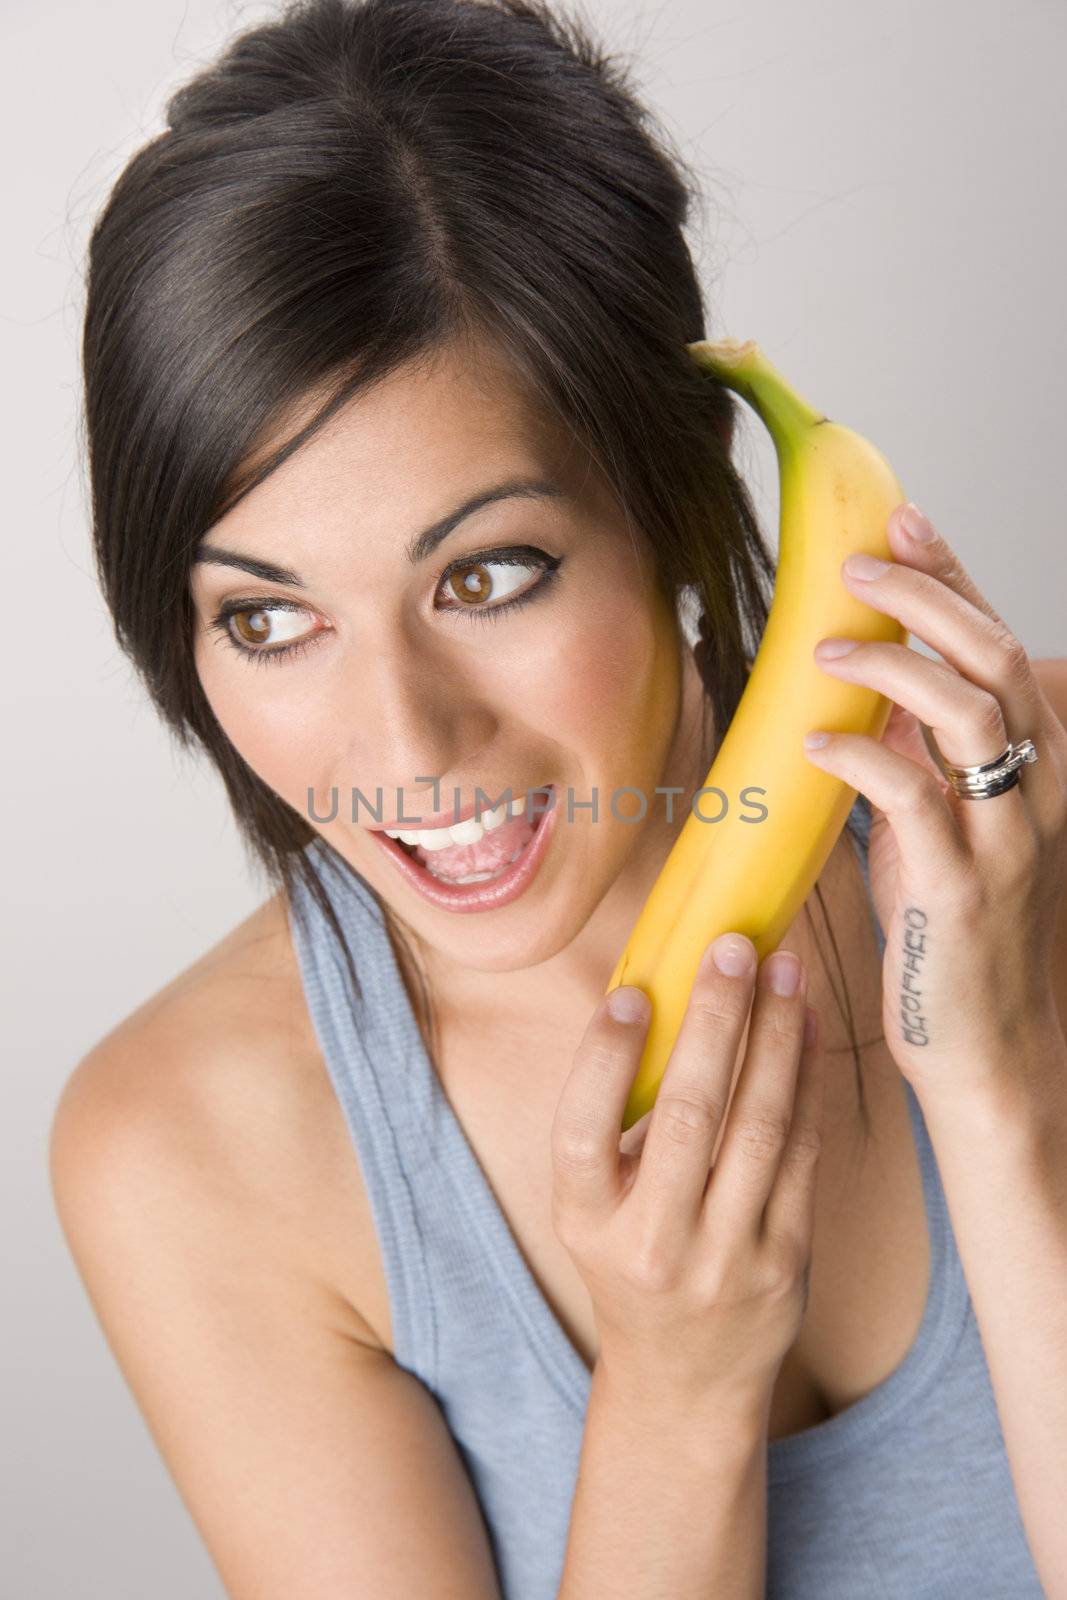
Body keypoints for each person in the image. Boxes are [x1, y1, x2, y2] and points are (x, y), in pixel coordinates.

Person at [50, 1, 1063, 1596]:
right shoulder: (192, 1146)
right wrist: (677, 1393)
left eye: (489, 573)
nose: (407, 741)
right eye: (266, 617)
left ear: (670, 508)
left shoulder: (1027, 816)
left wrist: (1007, 1100)